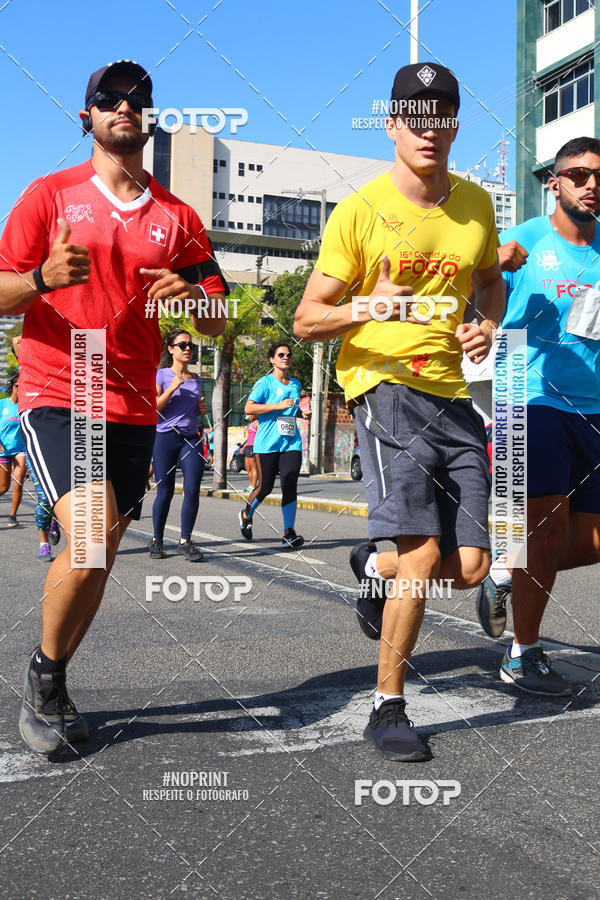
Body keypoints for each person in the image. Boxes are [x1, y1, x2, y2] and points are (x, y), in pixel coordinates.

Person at [0, 59, 226, 754]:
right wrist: (40, 278)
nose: (123, 107)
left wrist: (188, 298)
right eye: (109, 98)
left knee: (100, 553)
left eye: (137, 98)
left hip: (132, 403)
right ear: (86, 115)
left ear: (149, 115)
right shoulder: (49, 195)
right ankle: (44, 680)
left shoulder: (178, 216)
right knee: (92, 532)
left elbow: (218, 315)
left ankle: (52, 673)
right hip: (60, 387)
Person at [294, 63, 504, 761]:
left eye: (441, 115)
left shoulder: (475, 206)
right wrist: (367, 306)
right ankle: (388, 706)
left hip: (453, 397)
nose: (428, 128)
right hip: (385, 392)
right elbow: (305, 319)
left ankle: (371, 567)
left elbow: (489, 281)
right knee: (421, 557)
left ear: (453, 126)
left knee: (471, 566)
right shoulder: (360, 211)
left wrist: (485, 323)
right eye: (414, 116)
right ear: (392, 126)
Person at [476, 136, 600, 697]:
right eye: (578, 174)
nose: (591, 184)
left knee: (588, 539)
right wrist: (489, 275)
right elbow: (477, 302)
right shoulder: (525, 237)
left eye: (599, 175)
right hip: (529, 397)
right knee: (545, 527)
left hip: (593, 404)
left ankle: (503, 571)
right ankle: (522, 654)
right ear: (555, 182)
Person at [239, 342, 310, 548]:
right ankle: (246, 514)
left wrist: (301, 413)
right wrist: (278, 405)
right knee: (265, 487)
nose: (285, 357)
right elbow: (248, 408)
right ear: (272, 359)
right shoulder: (265, 383)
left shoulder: (295, 384)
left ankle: (289, 532)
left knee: (289, 482)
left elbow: (291, 409)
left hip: (291, 442)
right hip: (267, 443)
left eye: (288, 354)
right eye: (280, 355)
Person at [148, 329, 208, 562]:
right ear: (171, 349)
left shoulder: (197, 379)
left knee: (192, 489)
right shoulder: (161, 375)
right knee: (165, 491)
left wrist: (200, 410)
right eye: (182, 345)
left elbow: (192, 410)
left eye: (190, 346)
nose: (187, 349)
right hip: (165, 437)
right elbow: (154, 409)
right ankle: (157, 540)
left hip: (191, 438)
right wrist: (172, 387)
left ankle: (185, 540)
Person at [11, 334, 61, 555]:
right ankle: (44, 544)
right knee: (44, 498)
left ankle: (55, 520)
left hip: (64, 438)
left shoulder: (62, 369)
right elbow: (16, 340)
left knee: (64, 497)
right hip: (35, 443)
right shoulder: (28, 370)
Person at [0, 374, 27, 527]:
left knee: (19, 482)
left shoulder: (25, 406)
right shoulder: (2, 404)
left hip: (20, 449)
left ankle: (12, 515)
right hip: (3, 450)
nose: (20, 389)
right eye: (17, 386)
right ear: (12, 387)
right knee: (3, 487)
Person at [243, 414, 258, 490]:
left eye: (251, 415)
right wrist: (244, 446)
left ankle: (253, 486)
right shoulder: (250, 424)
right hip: (248, 446)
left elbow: (259, 436)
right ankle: (251, 485)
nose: (249, 416)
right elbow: (249, 438)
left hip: (253, 447)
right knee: (247, 467)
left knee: (253, 467)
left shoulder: (257, 423)